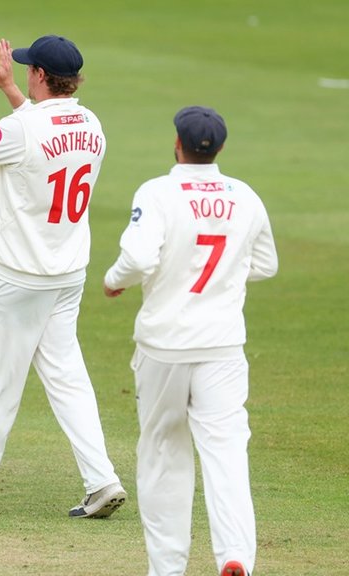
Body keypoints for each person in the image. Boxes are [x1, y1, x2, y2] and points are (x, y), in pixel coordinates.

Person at [0, 36, 126, 516]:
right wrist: (14, 94)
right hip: (67, 274)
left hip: (18, 277)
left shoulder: (25, 126)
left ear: (38, 76)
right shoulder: (91, 123)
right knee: (68, 379)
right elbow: (43, 138)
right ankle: (102, 479)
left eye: (27, 69)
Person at [103, 106, 278, 576]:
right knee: (226, 453)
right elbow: (266, 264)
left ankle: (167, 568)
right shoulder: (245, 195)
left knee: (163, 451)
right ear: (220, 148)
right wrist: (226, 278)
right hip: (222, 345)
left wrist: (114, 279)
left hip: (164, 345)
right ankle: (236, 555)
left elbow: (138, 258)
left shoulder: (158, 191)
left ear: (177, 144)